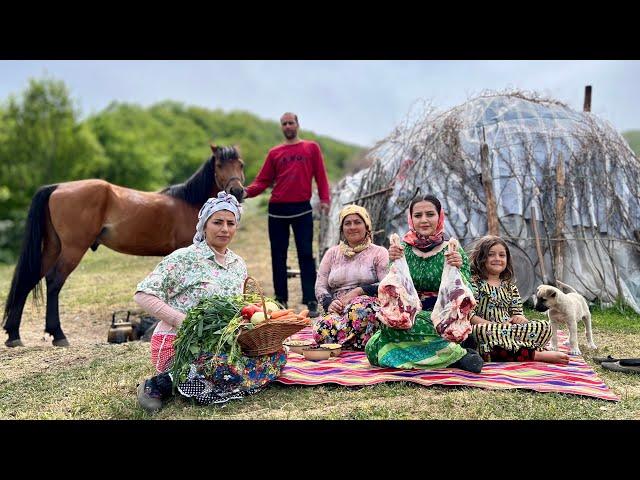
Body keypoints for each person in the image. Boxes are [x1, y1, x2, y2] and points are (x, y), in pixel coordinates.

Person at [134, 192, 286, 412]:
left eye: (230, 223)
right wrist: (182, 321)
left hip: (222, 343)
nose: (224, 229)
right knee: (220, 367)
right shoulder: (184, 258)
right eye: (217, 222)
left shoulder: (237, 263)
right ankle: (158, 384)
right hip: (180, 343)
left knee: (277, 356)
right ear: (204, 225)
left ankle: (212, 378)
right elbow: (143, 294)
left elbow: (242, 305)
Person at [365, 195, 484, 373]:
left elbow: (469, 293)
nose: (424, 220)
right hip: (410, 316)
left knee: (420, 330)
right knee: (372, 349)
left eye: (430, 214)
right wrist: (394, 263)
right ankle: (453, 355)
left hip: (442, 319)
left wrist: (458, 269)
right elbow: (393, 292)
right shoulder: (402, 250)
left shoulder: (452, 250)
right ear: (411, 219)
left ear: (439, 217)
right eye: (418, 215)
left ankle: (453, 353)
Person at [243, 112, 331, 317]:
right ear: (281, 127)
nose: (288, 126)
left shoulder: (311, 148)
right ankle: (280, 300)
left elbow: (321, 176)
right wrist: (245, 192)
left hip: (302, 208)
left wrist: (325, 200)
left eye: (291, 122)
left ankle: (310, 300)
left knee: (306, 255)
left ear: (298, 124)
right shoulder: (275, 153)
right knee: (278, 256)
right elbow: (262, 181)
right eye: (284, 124)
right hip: (277, 210)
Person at [468, 235, 569, 364]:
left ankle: (518, 349)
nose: (497, 259)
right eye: (491, 254)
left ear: (507, 259)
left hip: (509, 329)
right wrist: (494, 325)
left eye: (502, 255)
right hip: (487, 329)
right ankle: (534, 354)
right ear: (481, 258)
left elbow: (517, 312)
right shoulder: (474, 284)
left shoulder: (510, 287)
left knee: (544, 326)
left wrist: (519, 318)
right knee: (480, 332)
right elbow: (470, 316)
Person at [313, 205, 389, 350]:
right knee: (319, 329)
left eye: (357, 222)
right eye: (347, 223)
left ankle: (341, 342)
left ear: (367, 226)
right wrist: (329, 303)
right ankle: (357, 341)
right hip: (338, 310)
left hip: (367, 309)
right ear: (342, 229)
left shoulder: (379, 252)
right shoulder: (332, 253)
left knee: (360, 310)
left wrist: (359, 291)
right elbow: (320, 286)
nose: (352, 227)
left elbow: (387, 284)